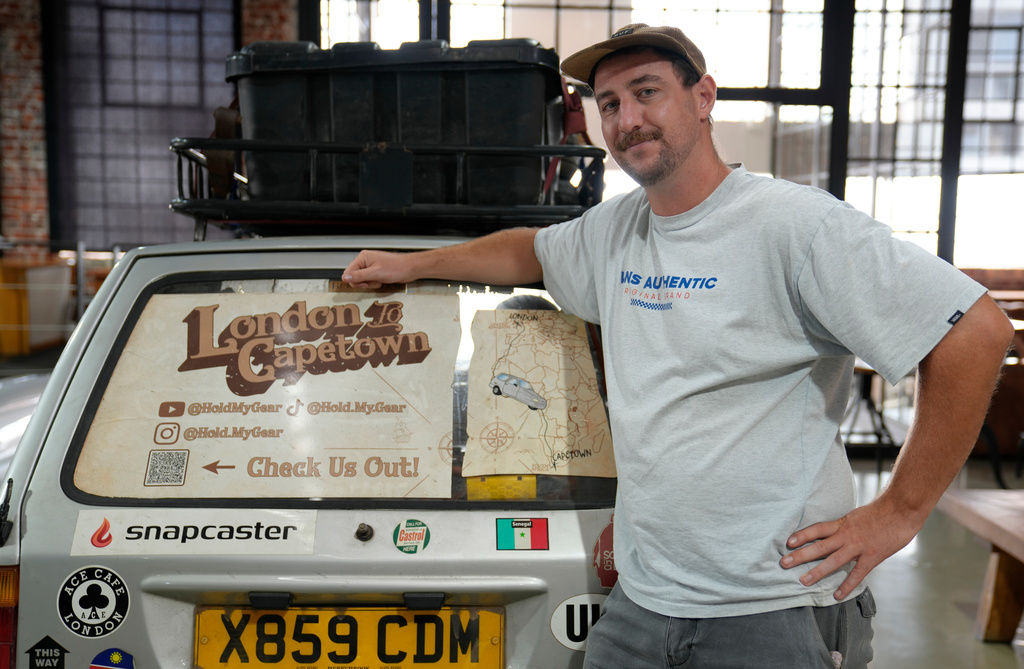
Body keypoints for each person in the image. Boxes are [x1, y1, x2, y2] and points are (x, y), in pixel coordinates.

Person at [343, 23, 1013, 668]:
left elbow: (975, 333)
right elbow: (531, 251)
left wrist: (898, 511)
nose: (627, 118)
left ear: (703, 96)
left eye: (646, 91)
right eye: (609, 104)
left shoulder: (794, 226)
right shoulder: (615, 230)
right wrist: (416, 264)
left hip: (772, 607)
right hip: (643, 604)